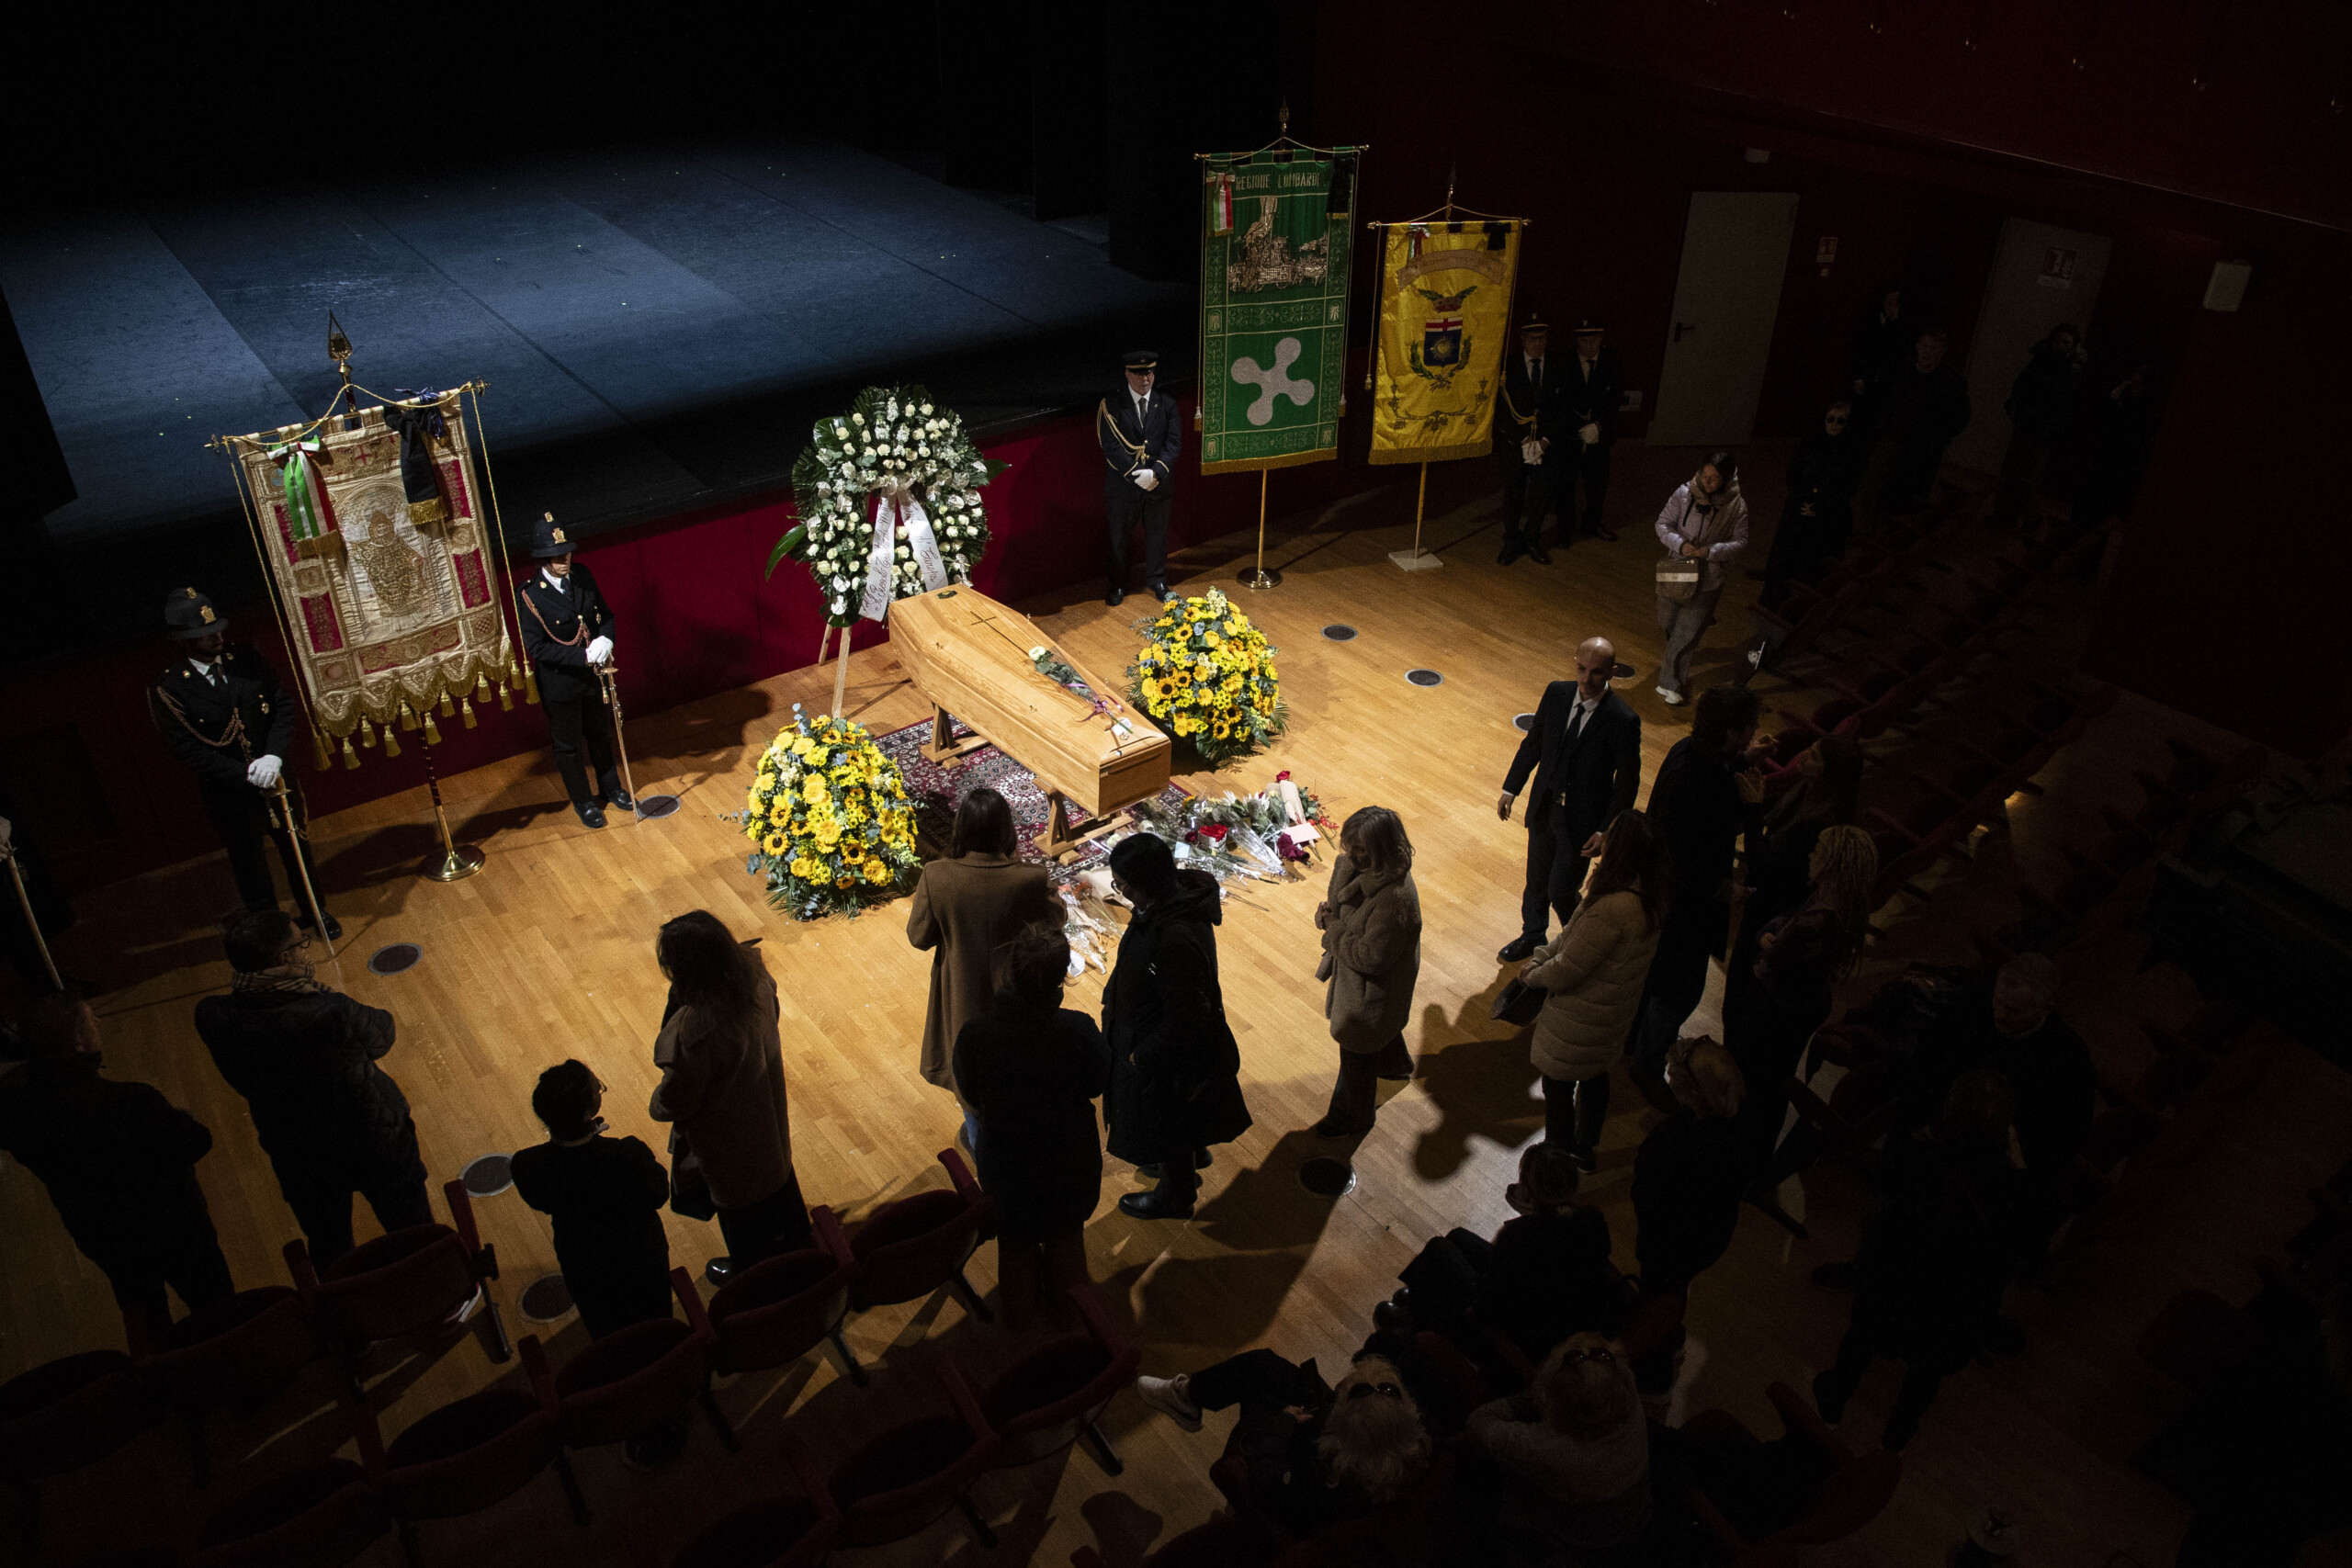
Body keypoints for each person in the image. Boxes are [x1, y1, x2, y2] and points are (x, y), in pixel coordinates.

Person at [194, 909, 434, 1272]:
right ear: (285, 958)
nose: (307, 950)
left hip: (297, 1151)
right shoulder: (330, 1012)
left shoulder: (213, 1016)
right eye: (300, 943)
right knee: (410, 1225)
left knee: (329, 1244)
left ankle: (345, 1311)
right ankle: (438, 1289)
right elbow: (383, 1033)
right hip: (371, 1137)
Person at [0, 991, 234, 1341]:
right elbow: (195, 1141)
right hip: (173, 1224)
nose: (99, 1024)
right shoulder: (130, 1102)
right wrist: (182, 1118)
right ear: (77, 1044)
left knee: (148, 1316)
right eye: (91, 1021)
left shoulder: (14, 1107)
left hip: (101, 1232)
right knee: (217, 1307)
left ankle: (166, 1376)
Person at [1812, 1071, 2024, 1451]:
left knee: (1860, 1343)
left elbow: (1882, 1218)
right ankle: (1898, 1432)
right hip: (1950, 1305)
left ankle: (1833, 1402)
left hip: (1892, 1281)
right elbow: (2008, 1254)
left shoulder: (1917, 1157)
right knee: (1924, 1373)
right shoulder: (2006, 1189)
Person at [146, 587, 339, 940]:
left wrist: (274, 756)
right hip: (230, 791)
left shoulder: (246, 659)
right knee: (249, 864)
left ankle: (315, 909)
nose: (217, 636)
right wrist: (245, 773)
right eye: (205, 634)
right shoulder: (170, 688)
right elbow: (186, 749)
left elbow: (281, 706)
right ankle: (270, 932)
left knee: (297, 847)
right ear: (184, 640)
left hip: (277, 776)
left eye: (217, 628)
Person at [953, 921, 1110, 1329]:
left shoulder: (975, 1035)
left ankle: (1022, 1340)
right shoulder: (1077, 1029)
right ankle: (1069, 1329)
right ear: (1061, 978)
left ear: (1010, 972)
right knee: (1066, 1235)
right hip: (1069, 1158)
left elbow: (968, 1093)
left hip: (1008, 1162)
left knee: (1016, 1243)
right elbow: (1098, 1082)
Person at [649, 910, 808, 1282]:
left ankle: (759, 1285)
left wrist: (657, 1101)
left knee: (746, 1221)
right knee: (780, 1183)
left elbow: (677, 1101)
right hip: (767, 1110)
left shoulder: (698, 1030)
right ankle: (802, 1259)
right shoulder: (754, 977)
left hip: (730, 1140)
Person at [1629, 686, 1770, 1102]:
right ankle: (1648, 1063)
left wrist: (1745, 760)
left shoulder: (1692, 754)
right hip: (1683, 907)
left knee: (1657, 977)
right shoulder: (1700, 778)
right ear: (1729, 731)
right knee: (1681, 989)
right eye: (1748, 729)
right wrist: (1720, 887)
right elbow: (1684, 845)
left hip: (1671, 899)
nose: (1754, 733)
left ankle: (1633, 1043)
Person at [1102, 833, 1252, 1220]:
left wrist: (1142, 1055)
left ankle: (1176, 1194)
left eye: (1123, 884)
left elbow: (1187, 1016)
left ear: (1144, 883)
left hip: (1165, 1054)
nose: (1122, 891)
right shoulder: (1167, 906)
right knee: (1179, 1121)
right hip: (1158, 1039)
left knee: (1168, 1122)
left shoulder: (1175, 934)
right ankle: (1190, 1151)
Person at [1374, 1141, 1629, 1365]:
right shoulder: (1591, 1221)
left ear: (1529, 1192)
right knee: (1457, 1238)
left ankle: (1416, 1328)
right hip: (1561, 1310)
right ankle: (1420, 1298)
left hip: (1526, 1332)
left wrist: (1524, 1220)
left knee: (1438, 1250)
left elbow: (1488, 1309)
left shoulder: (1519, 1237)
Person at [905, 786, 1059, 1153]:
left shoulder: (937, 876)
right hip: (1019, 995)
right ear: (1007, 829)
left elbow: (918, 937)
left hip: (962, 995)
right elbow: (1056, 923)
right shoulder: (1030, 879)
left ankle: (986, 1163)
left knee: (971, 1077)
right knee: (1017, 1072)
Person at [1132, 1350, 1434, 1537]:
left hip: (1276, 1481)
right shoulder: (1401, 1441)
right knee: (1265, 1366)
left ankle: (1187, 1399)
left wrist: (1283, 1422)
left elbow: (1265, 1480)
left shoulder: (1322, 1481)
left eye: (1345, 1395)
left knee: (1261, 1393)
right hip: (1331, 1440)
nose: (1343, 1385)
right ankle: (1187, 1396)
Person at [1729, 825, 1878, 1175]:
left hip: (1776, 1013)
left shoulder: (1817, 923)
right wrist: (1771, 939)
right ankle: (1752, 1158)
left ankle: (1741, 1160)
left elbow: (1766, 964)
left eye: (1819, 850)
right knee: (1771, 1085)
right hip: (1799, 1007)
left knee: (1754, 1085)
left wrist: (1768, 942)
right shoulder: (1833, 908)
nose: (1811, 855)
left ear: (1834, 863)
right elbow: (1774, 932)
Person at [1522, 810, 1666, 1170]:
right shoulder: (1649, 895)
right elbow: (1575, 940)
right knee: (1596, 1078)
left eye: (1610, 834)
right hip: (1610, 1017)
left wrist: (1533, 975)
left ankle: (1557, 1157)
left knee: (1558, 1089)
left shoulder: (1613, 907)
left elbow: (1567, 969)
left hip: (1579, 1021)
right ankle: (1585, 1149)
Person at [1497, 636, 1642, 964]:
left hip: (1582, 821)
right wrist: (1511, 788)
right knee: (1536, 881)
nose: (1586, 679)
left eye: (1596, 672)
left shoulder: (1623, 719)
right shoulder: (1557, 693)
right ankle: (1532, 936)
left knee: (1561, 889)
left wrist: (1607, 830)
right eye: (1581, 668)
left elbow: (1627, 782)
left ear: (1612, 673)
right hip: (1545, 807)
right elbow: (1534, 743)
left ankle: (1580, 944)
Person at [511, 1060, 672, 1339]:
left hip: (583, 1263)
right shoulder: (627, 1155)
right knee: (657, 1330)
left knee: (607, 1332)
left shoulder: (527, 1165)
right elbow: (659, 1193)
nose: (600, 1090)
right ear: (588, 1110)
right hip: (641, 1262)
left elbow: (542, 1201)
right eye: (598, 1088)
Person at [1722, 733, 1864, 1040]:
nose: (1802, 757)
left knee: (1742, 996)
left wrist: (1752, 809)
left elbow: (1763, 861)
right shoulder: (1805, 791)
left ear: (1830, 772)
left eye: (1813, 756)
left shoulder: (1820, 822)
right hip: (1765, 901)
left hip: (1774, 911)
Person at [1464, 1333, 1654, 1559]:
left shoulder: (1547, 1449)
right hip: (1633, 1524)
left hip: (1580, 1544)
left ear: (1552, 1401)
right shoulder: (1633, 1407)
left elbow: (1477, 1423)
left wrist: (1541, 1389)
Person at [514, 513, 631, 829]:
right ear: (542, 558)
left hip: (593, 679)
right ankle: (583, 801)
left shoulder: (582, 576)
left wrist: (606, 637)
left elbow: (604, 614)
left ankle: (611, 787)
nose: (564, 560)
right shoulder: (530, 594)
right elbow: (537, 648)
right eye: (556, 556)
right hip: (561, 684)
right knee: (568, 748)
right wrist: (582, 657)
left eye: (566, 553)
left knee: (599, 735)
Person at [1315, 806, 1423, 1138]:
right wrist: (1329, 915)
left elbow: (1369, 958)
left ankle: (1352, 1116)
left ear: (1384, 847)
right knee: (1377, 1032)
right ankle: (1394, 1065)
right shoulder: (1356, 868)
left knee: (1356, 1059)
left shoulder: (1394, 901)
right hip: (1366, 989)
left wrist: (1332, 929)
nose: (1353, 854)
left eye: (1361, 848)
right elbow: (1342, 906)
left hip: (1370, 992)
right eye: (1350, 845)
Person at [1630, 1036, 1749, 1296]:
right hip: (1711, 1237)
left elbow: (1647, 1197)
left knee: (1659, 1295)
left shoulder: (1673, 1145)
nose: (1667, 1076)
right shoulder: (1739, 1127)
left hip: (1670, 1248)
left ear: (1690, 1090)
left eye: (1671, 1073)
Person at [1652, 453, 1749, 705]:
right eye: (1704, 476)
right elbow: (1662, 524)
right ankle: (1673, 663)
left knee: (1686, 633)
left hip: (1708, 579)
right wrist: (1680, 544)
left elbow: (1740, 542)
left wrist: (1711, 551)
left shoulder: (1736, 506)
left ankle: (1672, 683)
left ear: (1726, 479)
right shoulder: (1684, 494)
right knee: (1668, 622)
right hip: (1676, 570)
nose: (1707, 483)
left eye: (1714, 479)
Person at [1859, 327, 1972, 525]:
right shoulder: (1902, 370)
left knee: (1909, 490)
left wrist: (1938, 438)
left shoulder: (1951, 381)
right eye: (1925, 346)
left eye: (1934, 347)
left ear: (1942, 351)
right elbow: (1884, 403)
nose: (1928, 351)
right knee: (1873, 481)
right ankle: (1869, 526)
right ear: (1917, 347)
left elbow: (1961, 416)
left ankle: (1893, 532)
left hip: (1923, 447)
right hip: (1892, 436)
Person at [1099, 348, 1182, 606]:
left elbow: (1174, 442)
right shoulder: (1112, 405)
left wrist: (1155, 473)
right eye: (1138, 374)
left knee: (1158, 535)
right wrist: (1137, 475)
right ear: (1127, 374)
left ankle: (1156, 580)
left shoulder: (1166, 403)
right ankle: (1118, 584)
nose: (1144, 379)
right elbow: (1110, 446)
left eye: (1149, 373)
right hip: (1124, 487)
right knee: (1120, 537)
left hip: (1157, 484)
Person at [1758, 402, 1860, 608]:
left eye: (1840, 421)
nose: (1834, 425)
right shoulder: (1810, 443)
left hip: (1828, 516)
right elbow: (1794, 474)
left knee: (1811, 563)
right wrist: (1803, 500)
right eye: (1830, 419)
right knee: (1785, 556)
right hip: (1799, 507)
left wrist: (1819, 506)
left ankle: (1800, 605)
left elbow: (1848, 487)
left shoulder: (1851, 452)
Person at [1495, 306, 1567, 565]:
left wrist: (1545, 442)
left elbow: (1564, 408)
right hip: (1517, 443)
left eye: (1542, 338)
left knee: (1540, 495)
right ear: (1523, 339)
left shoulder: (1559, 365)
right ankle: (1512, 541)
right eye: (1532, 338)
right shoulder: (1508, 367)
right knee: (1513, 494)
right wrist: (1524, 441)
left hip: (1547, 443)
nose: (1538, 344)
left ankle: (1532, 540)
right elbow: (1500, 410)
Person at [1991, 323, 2084, 526]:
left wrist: (2028, 412)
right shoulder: (2041, 361)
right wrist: (2015, 407)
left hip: (2043, 429)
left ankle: (2028, 516)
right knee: (2013, 471)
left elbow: (2060, 402)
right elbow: (2022, 385)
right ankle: (2005, 516)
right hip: (2027, 423)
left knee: (2025, 475)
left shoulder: (2070, 371)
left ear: (2073, 345)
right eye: (2057, 341)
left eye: (2065, 342)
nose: (2060, 346)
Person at [1559, 316, 1626, 542]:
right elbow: (1560, 401)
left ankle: (1593, 523)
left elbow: (1615, 399)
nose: (1589, 345)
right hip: (1571, 433)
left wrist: (1598, 425)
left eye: (1593, 339)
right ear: (1577, 340)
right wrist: (1577, 427)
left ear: (1601, 338)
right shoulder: (1565, 362)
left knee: (1597, 482)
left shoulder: (1612, 361)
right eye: (1584, 340)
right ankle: (1565, 526)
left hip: (1600, 433)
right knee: (1566, 482)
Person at [1846, 284, 1913, 440]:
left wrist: (1894, 321)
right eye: (1889, 300)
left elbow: (1898, 352)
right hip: (1866, 377)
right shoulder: (1868, 321)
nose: (1892, 304)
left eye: (1895, 301)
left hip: (1885, 382)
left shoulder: (1901, 326)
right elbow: (1858, 350)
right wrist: (1858, 376)